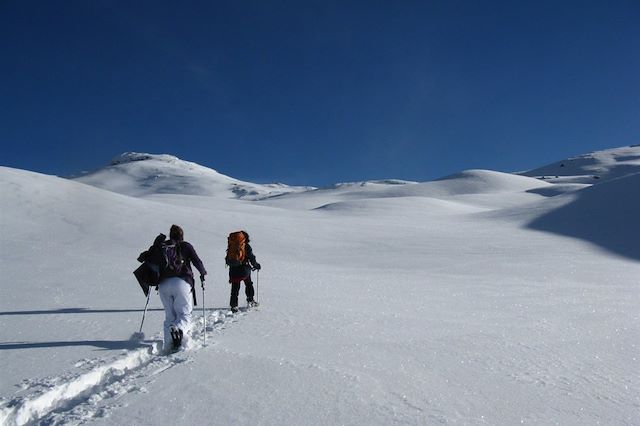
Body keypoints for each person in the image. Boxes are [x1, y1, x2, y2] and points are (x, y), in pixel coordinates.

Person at [157, 224, 207, 352]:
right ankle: (178, 329)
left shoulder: (164, 247)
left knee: (169, 316)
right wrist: (203, 272)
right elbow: (197, 261)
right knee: (184, 314)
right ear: (182, 235)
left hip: (163, 284)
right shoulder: (186, 246)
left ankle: (168, 345)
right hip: (181, 282)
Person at [227, 231, 261, 313]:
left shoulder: (232, 245)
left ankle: (234, 306)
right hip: (244, 270)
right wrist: (256, 265)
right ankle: (250, 300)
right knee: (249, 284)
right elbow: (252, 258)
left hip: (233, 269)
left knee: (235, 288)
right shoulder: (246, 246)